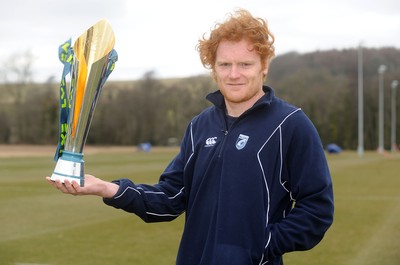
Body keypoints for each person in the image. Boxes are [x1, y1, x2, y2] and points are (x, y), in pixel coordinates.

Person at [46, 8, 334, 265]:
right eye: (224, 65)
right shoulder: (200, 126)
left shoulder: (290, 124)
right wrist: (107, 188)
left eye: (245, 64)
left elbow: (316, 210)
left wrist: (259, 247)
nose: (234, 74)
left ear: (264, 66)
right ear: (213, 68)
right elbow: (171, 198)